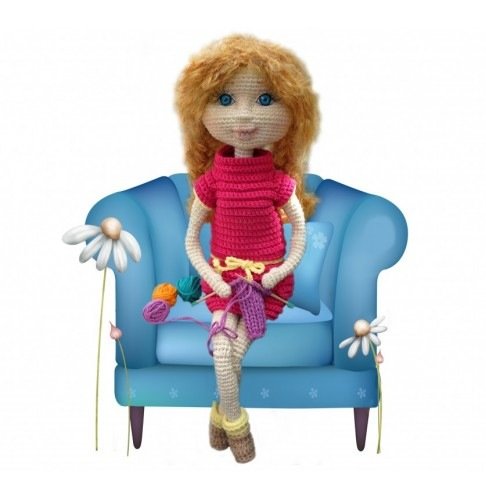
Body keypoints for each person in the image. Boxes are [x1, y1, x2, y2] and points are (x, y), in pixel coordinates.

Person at [176, 34, 320, 463]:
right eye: (225, 99)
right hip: (223, 282)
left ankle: (221, 417)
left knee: (231, 352)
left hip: (267, 285)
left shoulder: (279, 183)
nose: (243, 115)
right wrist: (212, 276)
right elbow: (191, 239)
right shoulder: (212, 183)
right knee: (223, 351)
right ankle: (235, 424)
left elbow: (299, 234)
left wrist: (279, 271)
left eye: (264, 99)